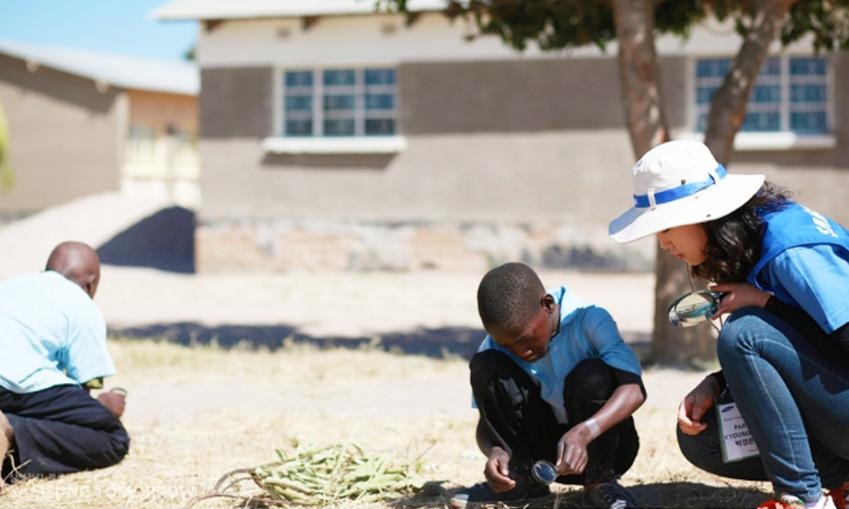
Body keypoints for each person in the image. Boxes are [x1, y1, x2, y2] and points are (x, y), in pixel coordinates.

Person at [608, 139, 849, 509]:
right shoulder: (755, 240)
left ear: (702, 213)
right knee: (706, 436)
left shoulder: (791, 249)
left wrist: (765, 303)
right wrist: (718, 382)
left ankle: (802, 500)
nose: (664, 244)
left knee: (744, 334)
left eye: (666, 227)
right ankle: (842, 484)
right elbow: (805, 353)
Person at [454, 262, 646, 509]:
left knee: (592, 375)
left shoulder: (589, 319)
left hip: (607, 447)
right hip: (543, 460)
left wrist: (585, 431)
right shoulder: (494, 346)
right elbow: (487, 425)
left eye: (525, 339)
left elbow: (634, 390)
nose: (521, 352)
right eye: (508, 346)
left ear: (547, 304)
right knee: (484, 364)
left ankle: (600, 482)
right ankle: (523, 482)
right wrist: (496, 451)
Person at [0, 241, 129, 487]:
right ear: (91, 283)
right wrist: (102, 407)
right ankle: (10, 431)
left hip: (13, 385)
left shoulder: (10, 285)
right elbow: (87, 387)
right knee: (112, 437)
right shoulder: (82, 304)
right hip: (16, 378)